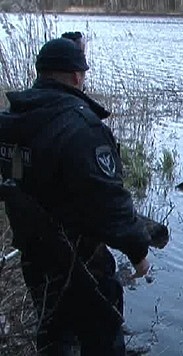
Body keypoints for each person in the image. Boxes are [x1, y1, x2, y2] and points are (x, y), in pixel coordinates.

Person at [0, 37, 167, 355]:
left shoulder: (14, 120)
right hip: (80, 260)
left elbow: (21, 179)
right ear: (77, 77)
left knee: (52, 334)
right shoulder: (81, 128)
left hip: (35, 257)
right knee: (102, 340)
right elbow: (110, 206)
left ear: (41, 72)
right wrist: (138, 252)